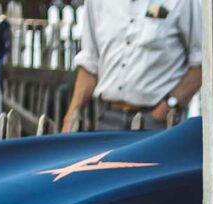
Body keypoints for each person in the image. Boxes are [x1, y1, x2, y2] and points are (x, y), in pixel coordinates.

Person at [63, 0, 202, 133]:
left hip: (158, 122)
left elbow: (202, 63)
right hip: (109, 119)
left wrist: (168, 106)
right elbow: (90, 63)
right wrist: (71, 116)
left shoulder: (184, 2)